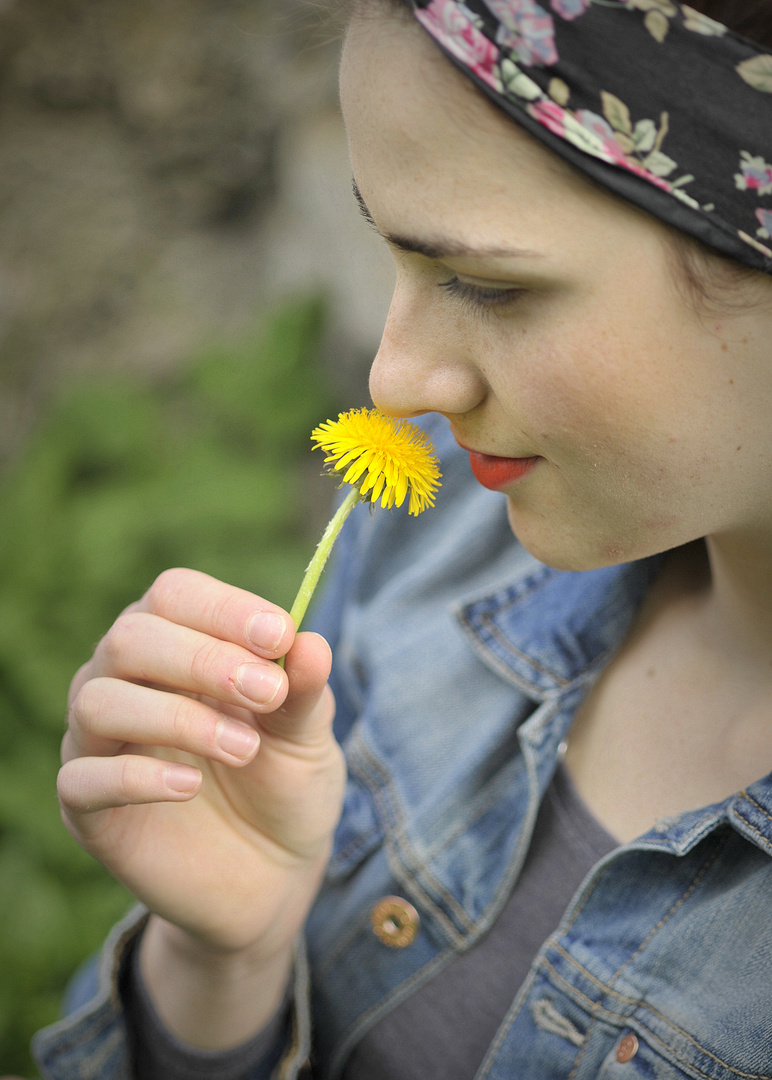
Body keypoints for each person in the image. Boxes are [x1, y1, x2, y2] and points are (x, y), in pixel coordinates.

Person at [32, 1, 772, 1077]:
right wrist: (218, 970)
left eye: (488, 283)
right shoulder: (437, 546)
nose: (392, 383)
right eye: (387, 249)